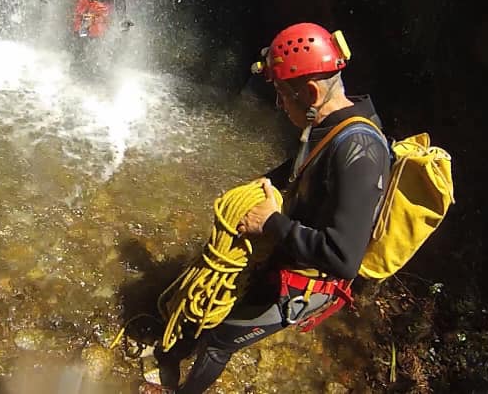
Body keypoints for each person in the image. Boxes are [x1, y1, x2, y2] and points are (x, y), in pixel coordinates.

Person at [142, 23, 391, 393]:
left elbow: (342, 257)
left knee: (223, 336)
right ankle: (174, 352)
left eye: (282, 95)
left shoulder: (360, 153)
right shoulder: (329, 122)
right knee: (214, 308)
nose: (279, 105)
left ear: (309, 91)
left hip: (307, 282)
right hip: (286, 252)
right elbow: (300, 169)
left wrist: (271, 223)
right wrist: (261, 186)